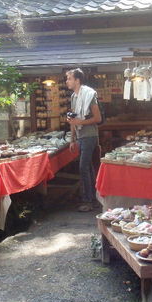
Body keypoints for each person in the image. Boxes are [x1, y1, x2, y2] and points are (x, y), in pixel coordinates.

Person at [65, 68, 101, 212]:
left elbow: (97, 118)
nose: (67, 81)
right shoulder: (74, 96)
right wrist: (72, 139)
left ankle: (88, 200)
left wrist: (80, 122)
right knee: (89, 168)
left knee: (83, 167)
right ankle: (94, 198)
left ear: (77, 80)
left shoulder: (89, 94)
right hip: (81, 136)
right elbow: (74, 119)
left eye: (69, 78)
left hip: (90, 135)